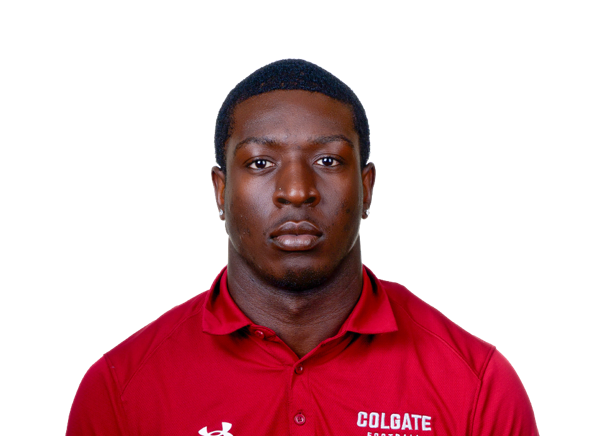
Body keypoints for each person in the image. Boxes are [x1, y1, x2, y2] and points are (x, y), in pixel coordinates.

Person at [66, 58, 538, 435]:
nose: (296, 191)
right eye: (261, 162)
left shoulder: (479, 385)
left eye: (328, 160)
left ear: (367, 188)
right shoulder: (119, 391)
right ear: (220, 191)